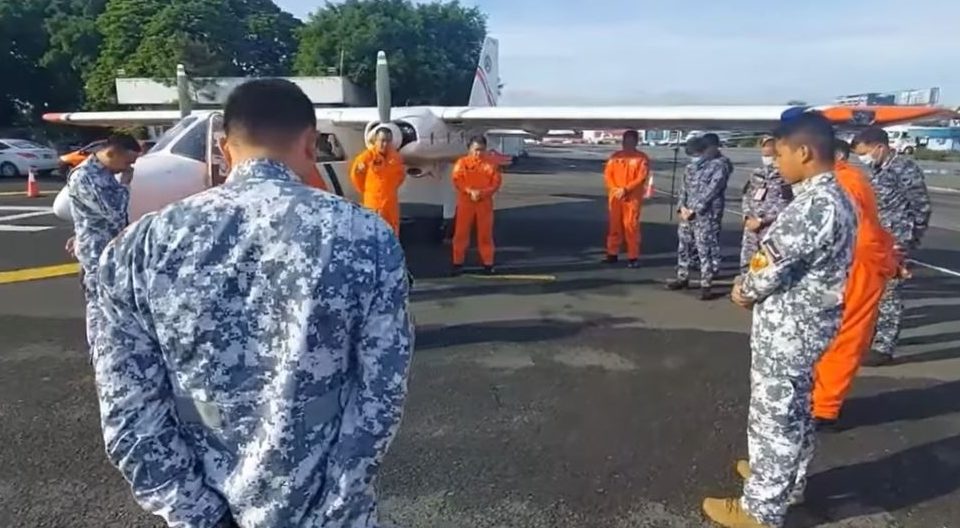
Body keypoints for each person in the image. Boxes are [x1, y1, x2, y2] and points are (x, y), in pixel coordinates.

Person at [92, 79, 414, 528]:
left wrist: (195, 511)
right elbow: (381, 389)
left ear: (225, 148)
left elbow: (128, 408)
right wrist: (338, 499)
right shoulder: (366, 235)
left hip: (205, 503)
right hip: (328, 510)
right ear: (310, 142)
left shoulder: (140, 245)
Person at [703, 112, 857, 528]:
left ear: (804, 152)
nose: (777, 160)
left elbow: (766, 268)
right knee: (796, 408)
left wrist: (742, 290)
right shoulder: (837, 197)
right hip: (809, 324)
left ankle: (761, 509)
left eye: (783, 152)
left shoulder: (813, 205)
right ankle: (786, 481)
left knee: (774, 416)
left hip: (790, 329)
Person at [811, 139, 899, 428]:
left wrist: (887, 264)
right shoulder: (843, 180)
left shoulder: (843, 182)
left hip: (857, 267)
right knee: (830, 338)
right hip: (851, 265)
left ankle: (824, 408)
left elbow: (864, 235)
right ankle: (818, 399)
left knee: (845, 338)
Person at [852, 126, 931, 366]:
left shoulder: (904, 169)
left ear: (880, 147)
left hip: (895, 241)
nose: (863, 158)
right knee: (872, 290)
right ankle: (872, 337)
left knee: (889, 294)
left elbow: (921, 207)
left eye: (865, 152)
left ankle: (884, 346)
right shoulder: (877, 170)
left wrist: (909, 241)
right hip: (875, 240)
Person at [65, 133, 141, 351]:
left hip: (108, 246)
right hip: (96, 252)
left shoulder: (104, 174)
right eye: (127, 162)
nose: (128, 168)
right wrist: (125, 185)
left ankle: (112, 343)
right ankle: (100, 348)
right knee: (98, 303)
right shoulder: (86, 177)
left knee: (111, 298)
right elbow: (114, 212)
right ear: (111, 153)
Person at [667, 133, 732, 300]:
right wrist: (681, 207)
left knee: (705, 249)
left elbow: (713, 189)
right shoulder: (691, 168)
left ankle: (706, 284)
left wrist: (694, 209)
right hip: (687, 213)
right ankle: (683, 276)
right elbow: (684, 189)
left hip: (705, 214)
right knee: (684, 247)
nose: (694, 157)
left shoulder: (719, 165)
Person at [739, 136, 793, 275]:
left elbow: (786, 204)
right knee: (747, 262)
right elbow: (747, 196)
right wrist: (747, 216)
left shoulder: (785, 176)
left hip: (769, 228)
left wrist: (762, 221)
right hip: (751, 227)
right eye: (764, 146)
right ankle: (745, 290)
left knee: (767, 265)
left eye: (769, 146)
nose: (766, 150)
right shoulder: (757, 173)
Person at [451, 135, 503, 275]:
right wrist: (470, 191)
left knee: (485, 234)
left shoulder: (490, 164)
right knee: (461, 233)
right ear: (469, 149)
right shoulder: (462, 163)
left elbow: (496, 182)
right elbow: (457, 180)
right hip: (466, 202)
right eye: (475, 150)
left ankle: (488, 263)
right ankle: (457, 262)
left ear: (485, 149)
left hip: (484, 202)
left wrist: (483, 193)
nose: (478, 153)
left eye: (481, 150)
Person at [602, 129, 651, 267]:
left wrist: (626, 189)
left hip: (632, 198)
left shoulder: (641, 158)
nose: (627, 144)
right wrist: (615, 189)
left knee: (631, 226)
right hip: (616, 196)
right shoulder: (615, 157)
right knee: (614, 226)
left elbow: (641, 177)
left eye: (630, 141)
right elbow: (608, 175)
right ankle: (612, 253)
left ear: (636, 142)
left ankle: (633, 256)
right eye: (625, 141)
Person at [350, 128, 406, 236]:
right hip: (373, 205)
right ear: (375, 140)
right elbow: (356, 176)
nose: (384, 144)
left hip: (390, 207)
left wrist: (389, 190)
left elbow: (400, 177)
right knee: (372, 235)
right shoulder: (366, 158)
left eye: (387, 141)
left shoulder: (396, 158)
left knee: (392, 236)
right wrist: (368, 192)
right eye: (382, 140)